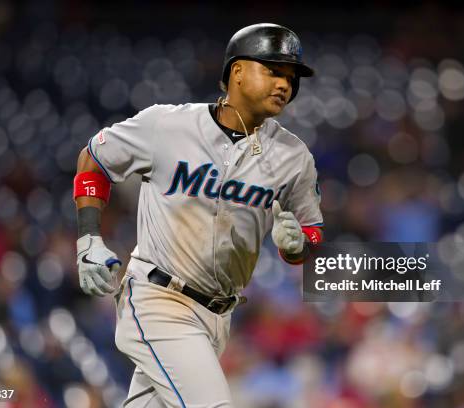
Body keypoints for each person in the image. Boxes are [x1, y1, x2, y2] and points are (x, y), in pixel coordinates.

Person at [73, 23, 324, 407]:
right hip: (158, 298)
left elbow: (311, 234)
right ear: (237, 72)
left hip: (218, 316)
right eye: (273, 71)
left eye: (291, 77)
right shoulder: (166, 125)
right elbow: (95, 160)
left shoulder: (294, 157)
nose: (285, 85)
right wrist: (89, 238)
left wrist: (299, 245)